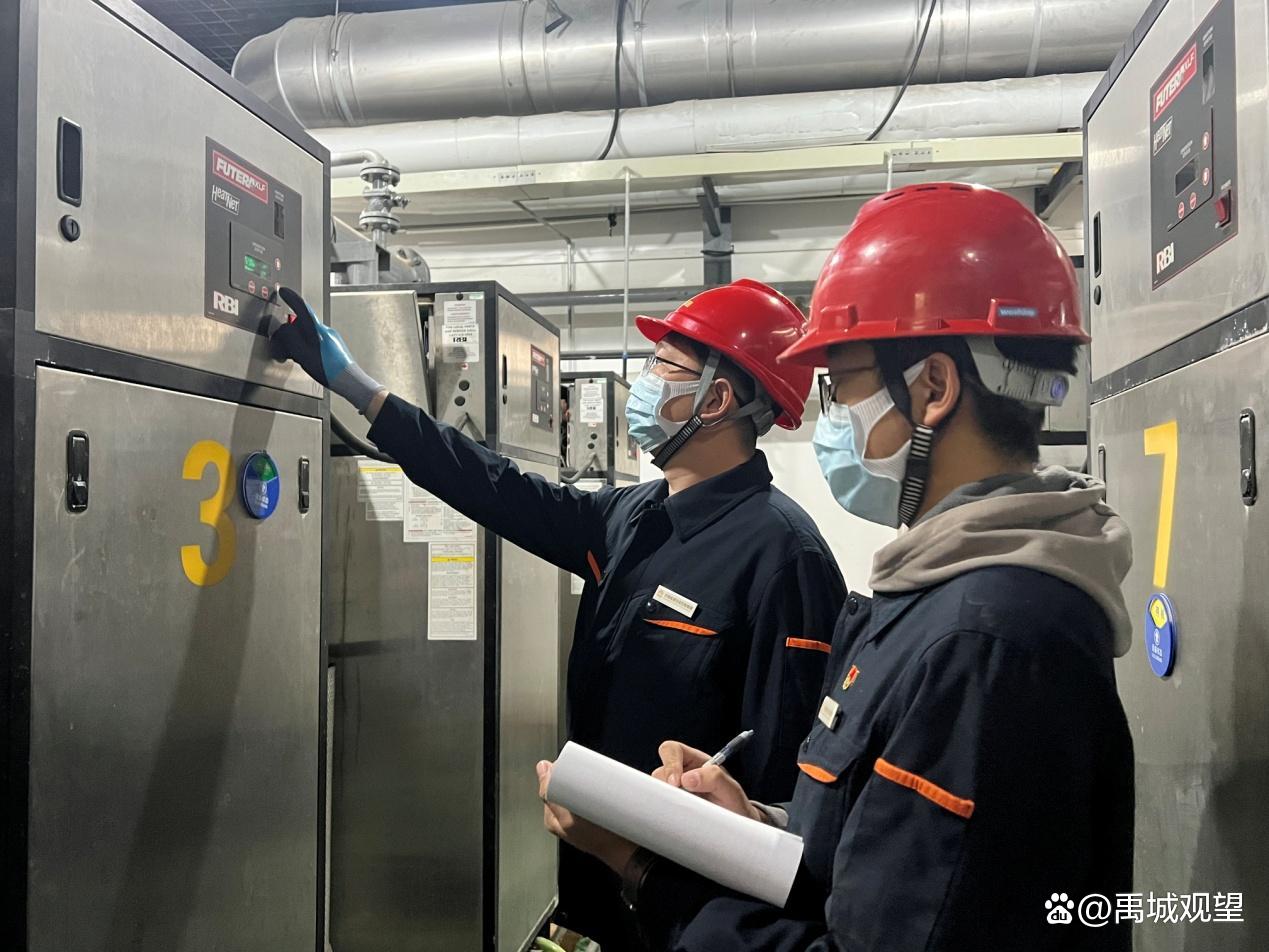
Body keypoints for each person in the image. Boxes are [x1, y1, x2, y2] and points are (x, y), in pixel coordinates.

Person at [538, 183, 1135, 951]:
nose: (831, 418)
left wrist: (643, 871)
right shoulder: (932, 598)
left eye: (841, 385)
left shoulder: (985, 640)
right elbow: (881, 862)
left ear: (932, 388)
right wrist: (758, 823)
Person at [271, 279, 847, 950]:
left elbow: (784, 785)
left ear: (715, 400)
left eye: (663, 366)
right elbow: (493, 486)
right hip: (602, 880)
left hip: (697, 914)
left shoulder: (785, 557)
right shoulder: (632, 516)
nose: (643, 382)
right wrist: (359, 388)